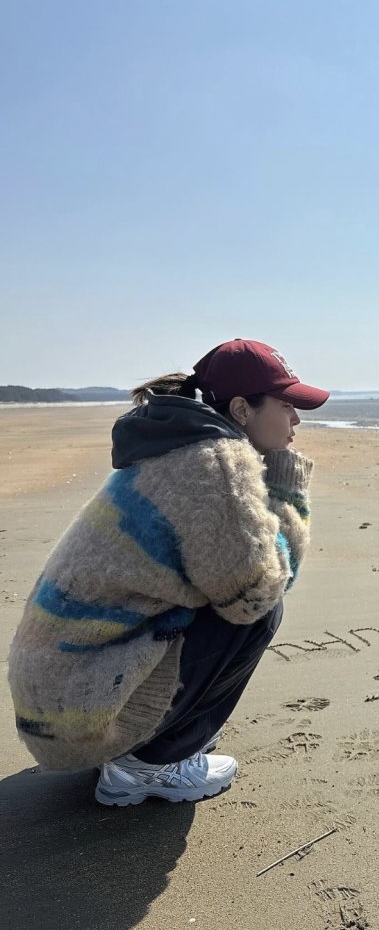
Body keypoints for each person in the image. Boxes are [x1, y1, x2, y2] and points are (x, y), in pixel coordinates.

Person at [8, 338, 329, 807]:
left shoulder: (177, 447)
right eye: (287, 405)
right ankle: (150, 765)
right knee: (260, 612)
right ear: (241, 408)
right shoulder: (215, 463)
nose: (297, 419)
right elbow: (256, 595)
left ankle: (147, 740)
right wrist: (288, 489)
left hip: (58, 700)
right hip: (79, 713)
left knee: (220, 595)